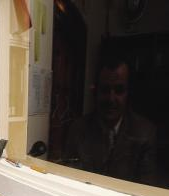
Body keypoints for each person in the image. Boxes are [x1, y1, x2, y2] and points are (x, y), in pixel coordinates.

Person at [63, 50, 157, 186]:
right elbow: (68, 179)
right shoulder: (77, 129)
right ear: (95, 91)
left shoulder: (146, 133)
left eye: (119, 90)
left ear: (128, 93)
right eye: (105, 90)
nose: (111, 99)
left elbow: (147, 190)